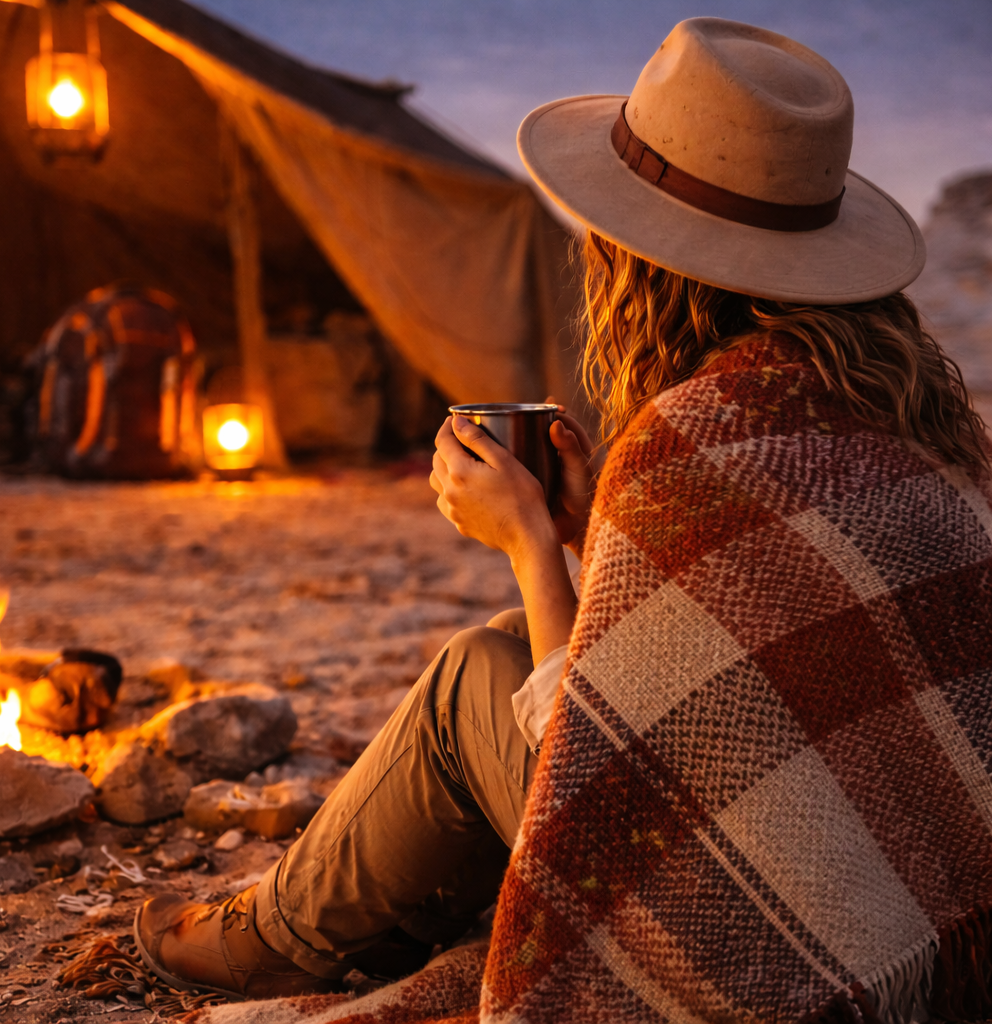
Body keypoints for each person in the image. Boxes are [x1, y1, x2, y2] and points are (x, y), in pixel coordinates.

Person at [135, 17, 992, 1023]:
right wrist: (599, 536)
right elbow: (731, 683)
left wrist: (531, 546)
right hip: (921, 912)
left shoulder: (699, 437)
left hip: (789, 959)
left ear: (645, 261)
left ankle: (270, 939)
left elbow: (599, 782)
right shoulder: (914, 418)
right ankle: (300, 921)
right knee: (506, 648)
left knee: (473, 677)